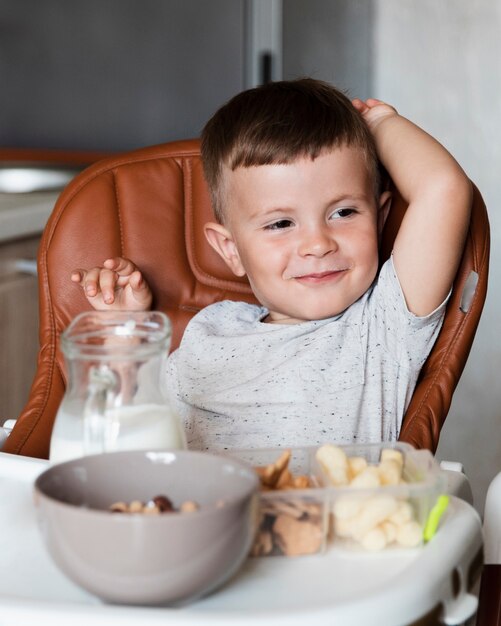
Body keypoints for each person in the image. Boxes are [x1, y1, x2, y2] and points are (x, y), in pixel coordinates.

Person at [71, 79, 472, 451]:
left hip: (321, 523)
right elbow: (130, 432)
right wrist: (126, 329)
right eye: (281, 223)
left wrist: (379, 123)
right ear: (230, 250)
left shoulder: (384, 322)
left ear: (380, 220)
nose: (317, 244)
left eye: (344, 212)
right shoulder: (210, 331)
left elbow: (444, 188)